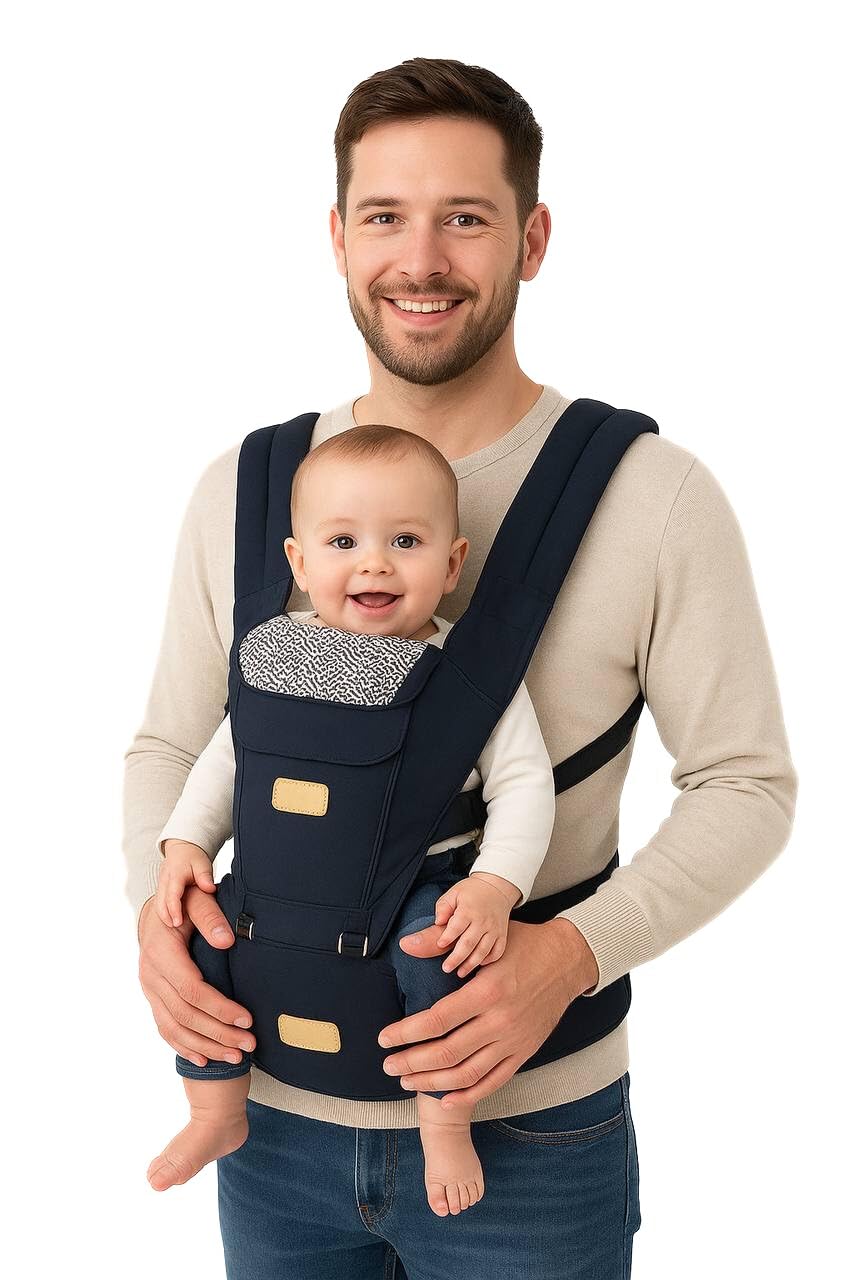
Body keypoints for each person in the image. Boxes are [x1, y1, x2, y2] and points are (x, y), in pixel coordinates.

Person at [125, 57, 797, 1278]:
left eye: (466, 218)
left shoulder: (651, 496)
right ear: (338, 238)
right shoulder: (246, 488)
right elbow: (176, 744)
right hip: (265, 1126)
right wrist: (158, 911)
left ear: (531, 239)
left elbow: (745, 786)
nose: (421, 259)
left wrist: (569, 954)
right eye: (385, 215)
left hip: (532, 1129)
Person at [146, 423, 558, 1217]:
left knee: (435, 965)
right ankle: (215, 1110)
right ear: (298, 563)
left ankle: (444, 1124)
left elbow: (522, 786)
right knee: (200, 947)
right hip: (272, 886)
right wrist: (185, 843)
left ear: (452, 564)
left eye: (405, 541)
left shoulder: (468, 675)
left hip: (412, 882)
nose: (373, 563)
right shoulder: (274, 654)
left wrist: (494, 886)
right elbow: (228, 759)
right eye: (343, 541)